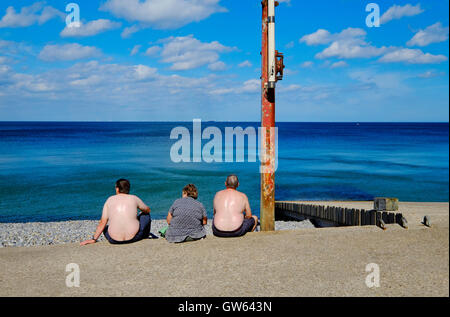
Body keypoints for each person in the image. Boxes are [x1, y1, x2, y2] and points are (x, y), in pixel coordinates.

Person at [80, 179, 151, 245]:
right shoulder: (134, 198)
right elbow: (148, 210)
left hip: (114, 240)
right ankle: (145, 236)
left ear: (117, 189)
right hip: (134, 238)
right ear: (128, 189)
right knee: (146, 215)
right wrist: (139, 213)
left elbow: (103, 222)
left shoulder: (109, 200)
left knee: (105, 227)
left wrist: (94, 239)